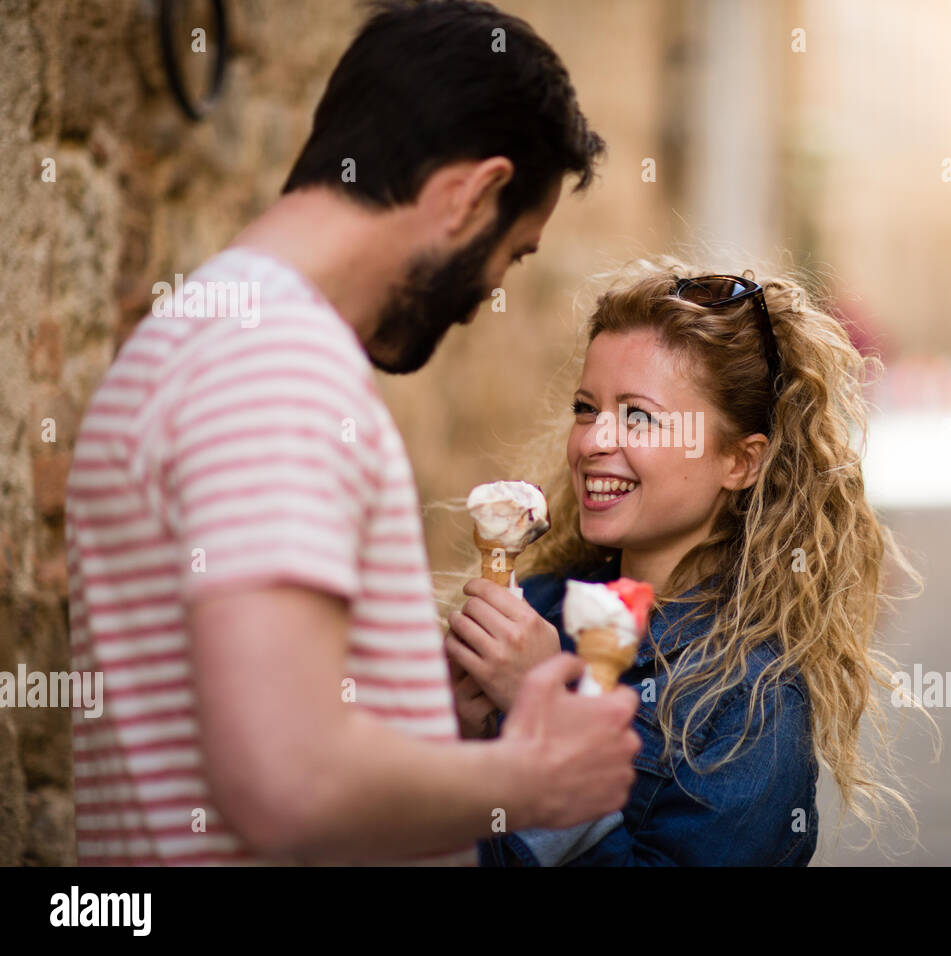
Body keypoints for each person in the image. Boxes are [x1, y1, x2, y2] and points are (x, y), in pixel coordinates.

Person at [65, 0, 640, 866]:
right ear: (472, 195)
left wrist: (412, 716)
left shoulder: (210, 332)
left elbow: (253, 734)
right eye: (512, 252)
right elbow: (286, 784)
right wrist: (533, 779)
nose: (490, 296)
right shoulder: (278, 364)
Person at [445, 260, 919, 865]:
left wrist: (552, 717)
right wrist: (460, 737)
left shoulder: (749, 702)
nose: (592, 441)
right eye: (587, 408)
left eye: (638, 416)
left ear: (741, 462)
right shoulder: (536, 604)